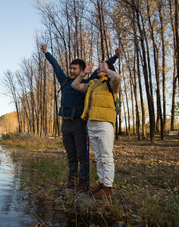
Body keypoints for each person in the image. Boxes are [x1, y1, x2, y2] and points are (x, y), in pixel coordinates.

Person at [41, 44, 120, 193]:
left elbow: (103, 69)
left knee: (82, 155)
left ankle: (83, 183)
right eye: (70, 68)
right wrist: (46, 53)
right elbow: (56, 65)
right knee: (71, 155)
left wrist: (114, 57)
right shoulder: (64, 81)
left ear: (81, 70)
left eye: (74, 69)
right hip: (65, 123)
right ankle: (73, 180)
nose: (71, 71)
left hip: (79, 123)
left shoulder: (88, 81)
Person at [71, 60, 121, 199]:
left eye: (102, 67)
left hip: (105, 123)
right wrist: (84, 73)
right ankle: (101, 183)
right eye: (99, 67)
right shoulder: (92, 84)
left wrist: (107, 70)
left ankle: (108, 188)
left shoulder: (111, 84)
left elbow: (117, 77)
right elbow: (74, 84)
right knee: (98, 157)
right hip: (91, 124)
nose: (99, 68)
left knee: (106, 156)